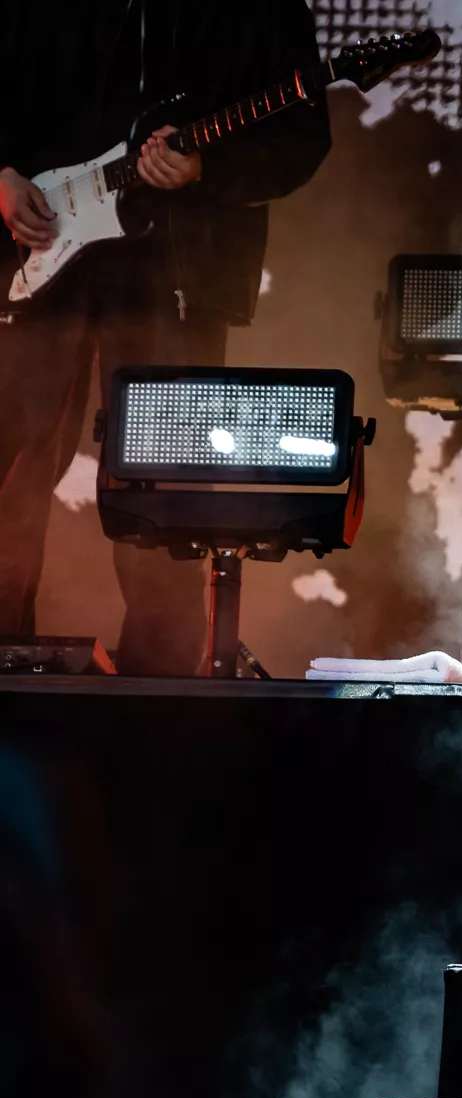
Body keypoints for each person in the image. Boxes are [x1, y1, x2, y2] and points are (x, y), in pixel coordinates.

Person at [0, 2, 330, 674]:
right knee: (11, 474)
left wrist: (210, 168)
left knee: (165, 499)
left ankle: (162, 692)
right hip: (35, 259)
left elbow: (301, 138)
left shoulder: (260, 12)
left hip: (175, 277)